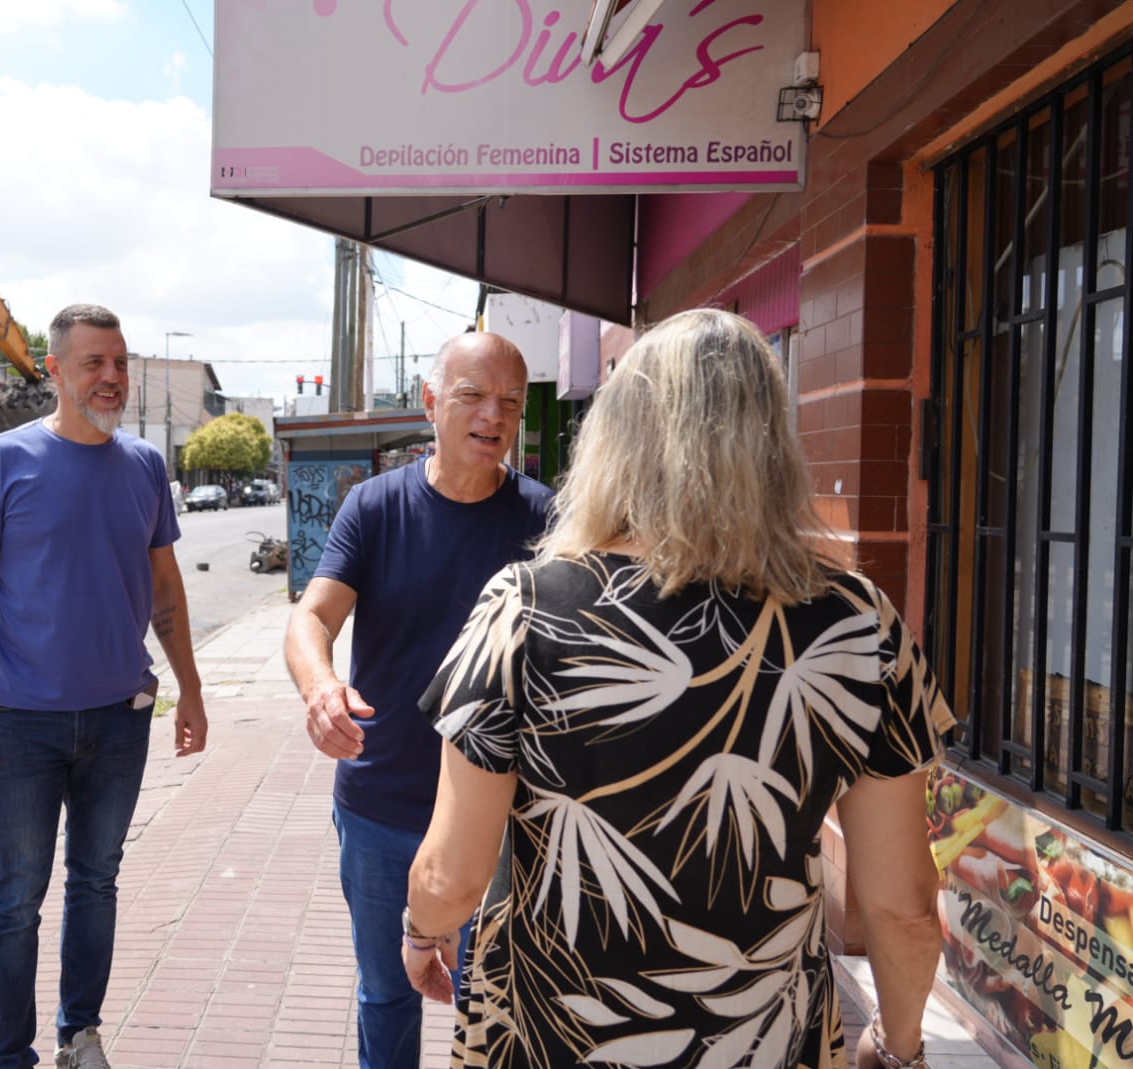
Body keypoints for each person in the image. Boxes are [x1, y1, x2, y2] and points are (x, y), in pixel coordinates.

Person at [402, 308, 954, 1069]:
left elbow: (451, 872)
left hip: (550, 1035)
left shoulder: (525, 608)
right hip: (764, 1041)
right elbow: (903, 902)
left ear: (619, 438)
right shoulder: (858, 622)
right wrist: (899, 1047)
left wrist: (421, 930)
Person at [0, 303, 208, 1069]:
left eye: (120, 362)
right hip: (24, 721)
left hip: (123, 718)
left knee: (96, 880)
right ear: (55, 371)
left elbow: (165, 589)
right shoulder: (3, 459)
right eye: (94, 362)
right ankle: (9, 1056)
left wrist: (190, 687)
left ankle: (78, 1033)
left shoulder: (146, 468)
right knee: (15, 895)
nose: (112, 376)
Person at [284, 331, 555, 1069]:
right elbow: (311, 618)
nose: (491, 416)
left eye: (509, 402)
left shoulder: (548, 522)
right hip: (380, 806)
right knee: (385, 998)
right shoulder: (374, 508)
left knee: (497, 1005)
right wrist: (320, 688)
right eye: (471, 395)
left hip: (502, 820)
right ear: (432, 402)